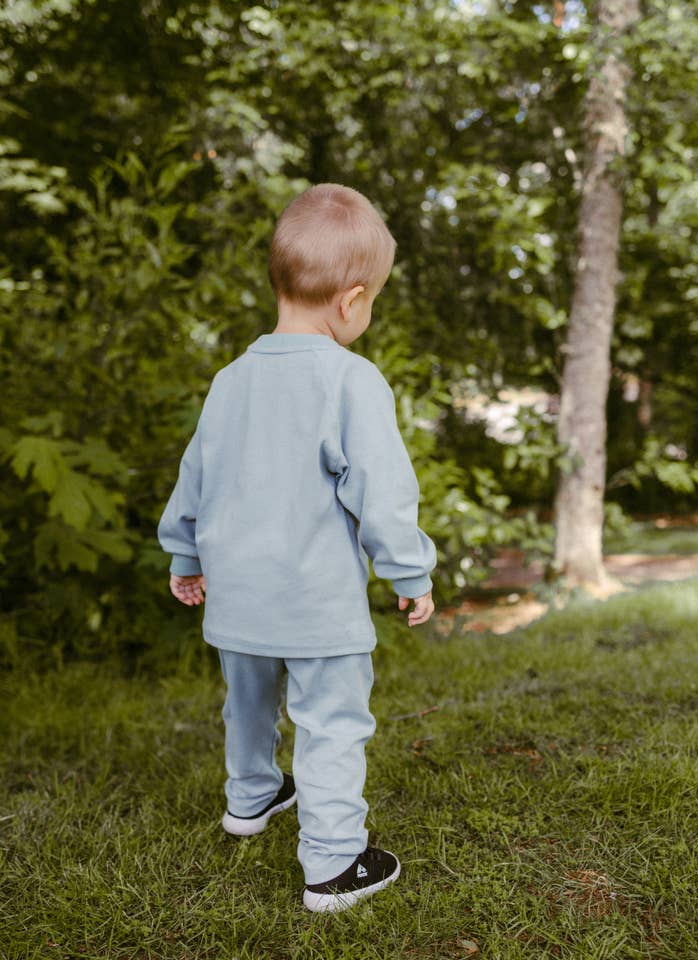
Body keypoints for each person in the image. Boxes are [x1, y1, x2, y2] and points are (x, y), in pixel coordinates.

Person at [157, 183, 437, 913]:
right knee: (331, 722)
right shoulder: (351, 380)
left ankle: (249, 800)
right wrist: (410, 571)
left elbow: (196, 478)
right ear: (351, 300)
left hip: (238, 597)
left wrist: (185, 558)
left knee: (246, 705)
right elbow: (383, 492)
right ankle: (334, 865)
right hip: (316, 606)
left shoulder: (230, 380)